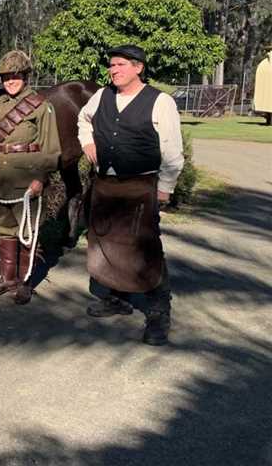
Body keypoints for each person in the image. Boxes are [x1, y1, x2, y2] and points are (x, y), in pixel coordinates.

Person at [78, 44, 184, 346]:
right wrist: (87, 143)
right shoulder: (102, 96)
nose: (114, 70)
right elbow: (83, 120)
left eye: (121, 64)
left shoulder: (160, 101)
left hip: (141, 186)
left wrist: (165, 188)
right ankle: (116, 298)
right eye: (112, 65)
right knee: (107, 242)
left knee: (145, 247)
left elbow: (173, 151)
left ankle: (159, 312)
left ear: (138, 67)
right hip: (106, 185)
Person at [0, 50, 62, 304]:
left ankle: (25, 281)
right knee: (3, 229)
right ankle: (7, 279)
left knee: (27, 230)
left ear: (25, 76)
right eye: (6, 76)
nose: (10, 81)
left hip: (26, 177)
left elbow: (51, 149)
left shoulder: (41, 107)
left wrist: (40, 178)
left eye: (15, 75)